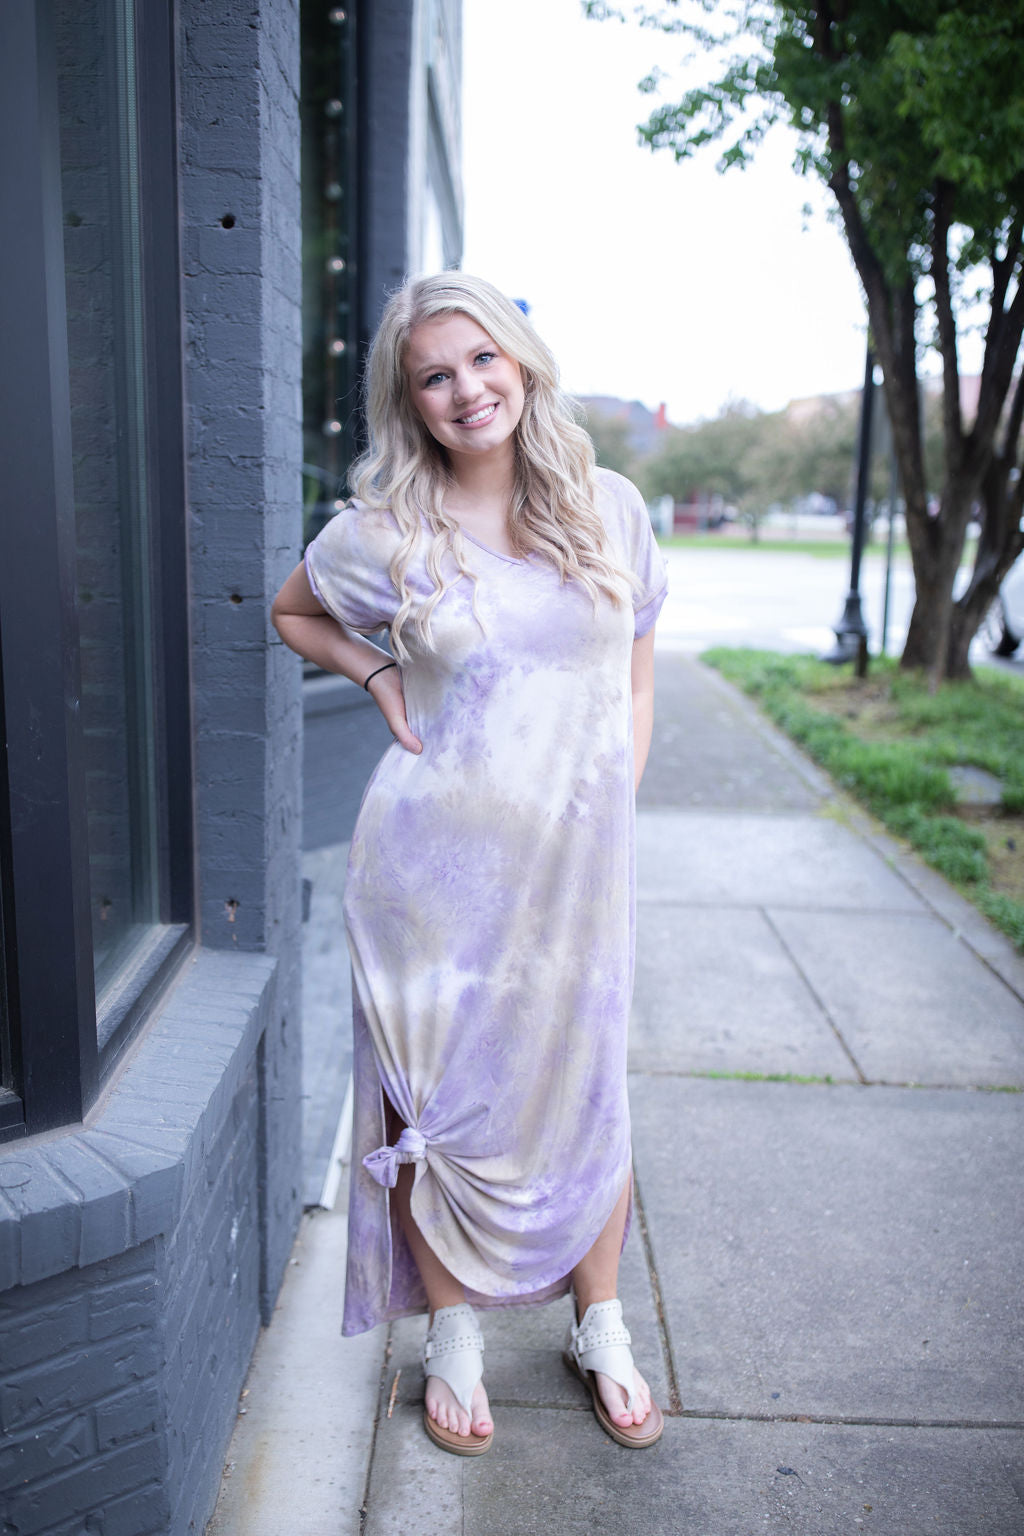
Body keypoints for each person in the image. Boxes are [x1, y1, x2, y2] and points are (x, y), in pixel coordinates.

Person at [271, 273, 668, 1456]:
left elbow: (635, 674)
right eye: (434, 376)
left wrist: (610, 806)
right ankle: (450, 1332)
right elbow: (292, 612)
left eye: (482, 359)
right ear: (411, 402)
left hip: (575, 873)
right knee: (435, 1104)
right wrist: (379, 672)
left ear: (521, 361)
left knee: (584, 1087)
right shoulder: (383, 535)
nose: (466, 390)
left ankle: (600, 1322)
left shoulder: (609, 508)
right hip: (429, 879)